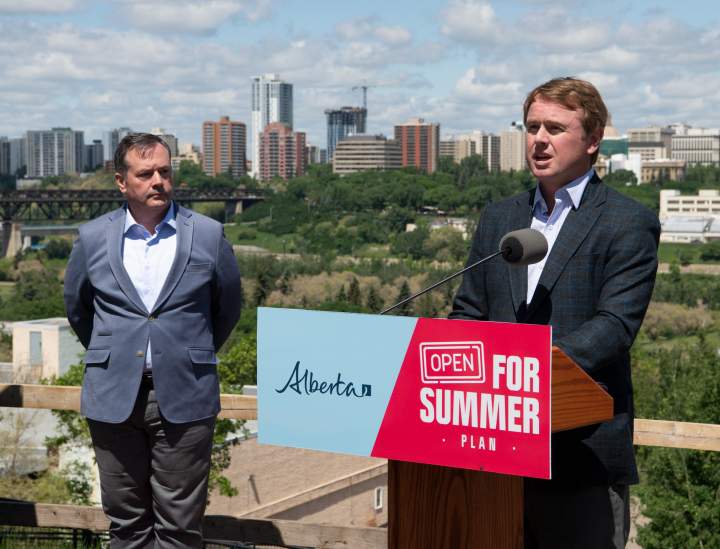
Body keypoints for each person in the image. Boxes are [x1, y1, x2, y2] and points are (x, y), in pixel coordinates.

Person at [450, 77, 659, 548]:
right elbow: (468, 311)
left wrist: (523, 374)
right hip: (492, 450)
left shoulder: (628, 222)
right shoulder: (499, 218)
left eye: (556, 128)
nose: (539, 140)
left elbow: (614, 327)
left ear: (593, 140)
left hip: (580, 456)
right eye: (532, 127)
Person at [64, 133, 242, 548]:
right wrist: (116, 355)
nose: (158, 180)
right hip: (112, 397)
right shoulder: (92, 237)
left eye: (164, 171)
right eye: (145, 173)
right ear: (121, 182)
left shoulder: (209, 234)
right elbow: (78, 310)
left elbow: (227, 309)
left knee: (180, 527)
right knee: (126, 524)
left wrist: (185, 355)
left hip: (185, 394)